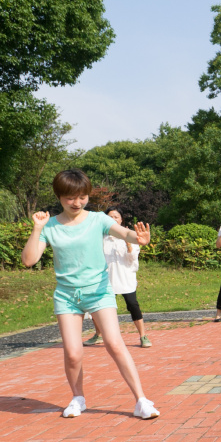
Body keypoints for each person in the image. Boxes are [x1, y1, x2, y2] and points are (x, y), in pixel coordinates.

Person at [21, 170, 160, 420]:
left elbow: (124, 233)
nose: (77, 203)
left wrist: (138, 238)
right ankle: (78, 398)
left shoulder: (98, 220)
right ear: (59, 196)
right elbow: (29, 260)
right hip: (66, 296)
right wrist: (37, 228)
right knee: (73, 352)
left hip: (98, 291)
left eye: (82, 197)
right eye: (70, 198)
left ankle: (141, 400)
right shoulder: (50, 226)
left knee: (115, 344)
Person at [83, 209, 152, 348]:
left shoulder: (129, 236)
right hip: (106, 279)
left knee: (133, 305)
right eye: (110, 217)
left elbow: (132, 258)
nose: (113, 219)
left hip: (125, 278)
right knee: (97, 307)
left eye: (116, 217)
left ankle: (143, 336)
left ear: (121, 220)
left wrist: (127, 243)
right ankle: (98, 335)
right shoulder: (101, 238)